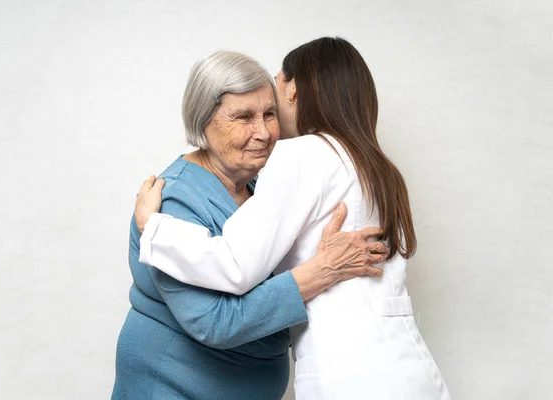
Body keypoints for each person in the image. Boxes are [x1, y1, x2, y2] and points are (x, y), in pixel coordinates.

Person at [136, 37, 452, 399]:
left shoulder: (302, 155)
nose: (267, 129)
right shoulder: (378, 167)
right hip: (412, 369)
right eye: (244, 116)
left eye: (272, 103)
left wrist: (154, 228)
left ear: (293, 90)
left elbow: (235, 266)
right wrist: (319, 266)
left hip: (350, 375)